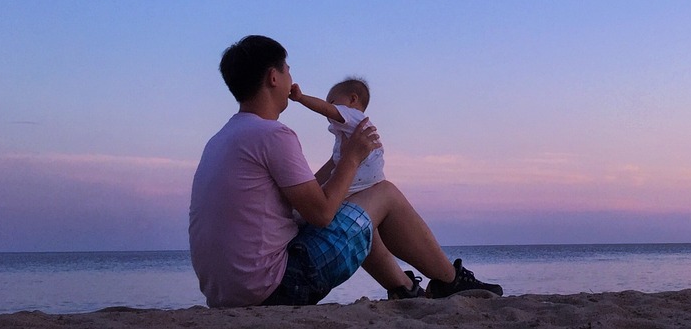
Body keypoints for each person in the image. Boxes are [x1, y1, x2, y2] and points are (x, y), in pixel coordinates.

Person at [188, 35, 502, 307]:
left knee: (357, 210)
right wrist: (352, 159)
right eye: (288, 70)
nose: (290, 78)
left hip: (227, 294)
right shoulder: (274, 135)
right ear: (274, 77)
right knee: (385, 193)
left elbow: (305, 198)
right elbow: (322, 214)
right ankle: (450, 280)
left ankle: (405, 290)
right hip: (278, 287)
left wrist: (340, 163)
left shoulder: (222, 139)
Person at [289, 78, 385, 196]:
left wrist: (300, 98)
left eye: (332, 102)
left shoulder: (351, 114)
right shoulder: (353, 125)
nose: (329, 106)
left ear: (353, 99)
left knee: (318, 198)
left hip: (360, 175)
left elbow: (325, 109)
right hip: (372, 177)